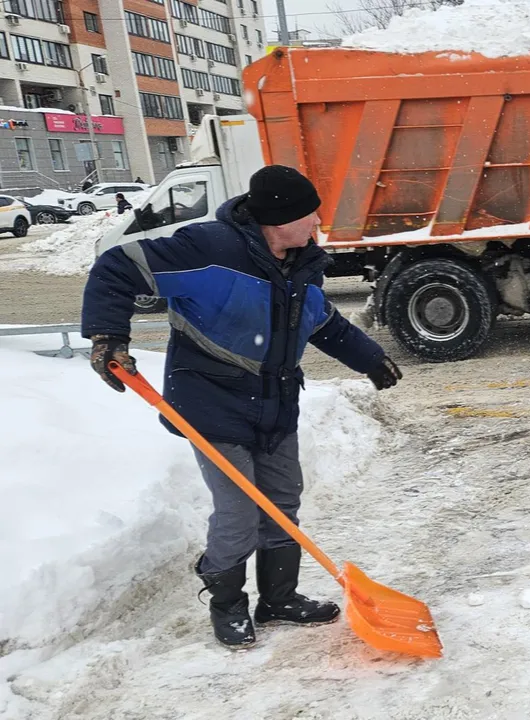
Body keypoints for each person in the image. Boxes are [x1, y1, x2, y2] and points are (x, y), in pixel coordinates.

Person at [81, 165, 404, 650]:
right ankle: (226, 601)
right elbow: (116, 267)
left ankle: (279, 598)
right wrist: (109, 337)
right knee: (237, 512)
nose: (318, 220)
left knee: (282, 501)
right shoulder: (209, 250)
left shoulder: (301, 265)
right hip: (212, 402)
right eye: (309, 213)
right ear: (279, 218)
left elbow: (324, 323)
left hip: (275, 404)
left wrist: (370, 359)